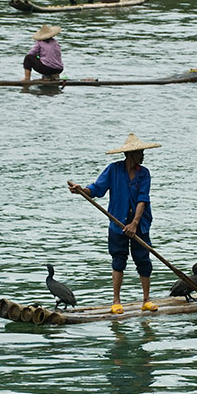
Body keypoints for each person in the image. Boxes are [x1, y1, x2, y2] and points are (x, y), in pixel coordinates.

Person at [69, 133, 161, 314]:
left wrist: (134, 223)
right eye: (140, 152)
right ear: (130, 154)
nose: (143, 155)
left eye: (142, 151)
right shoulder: (113, 170)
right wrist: (82, 190)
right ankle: (116, 301)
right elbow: (97, 189)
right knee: (118, 260)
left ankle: (146, 300)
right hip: (118, 224)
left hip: (140, 225)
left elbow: (143, 200)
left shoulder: (144, 174)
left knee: (143, 259)